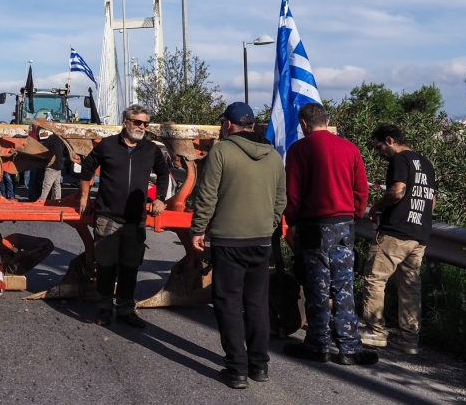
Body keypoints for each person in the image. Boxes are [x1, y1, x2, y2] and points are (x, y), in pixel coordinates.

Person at [189, 102, 286, 389]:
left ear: (228, 125)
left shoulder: (222, 151)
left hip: (228, 239)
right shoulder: (273, 155)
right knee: (256, 302)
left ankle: (237, 368)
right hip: (260, 240)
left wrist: (198, 229)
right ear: (252, 125)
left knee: (228, 303)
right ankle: (259, 365)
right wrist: (268, 226)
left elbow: (207, 195)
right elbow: (281, 199)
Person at [282, 103, 378, 366]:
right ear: (327, 120)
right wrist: (353, 215)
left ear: (303, 123)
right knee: (344, 285)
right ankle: (349, 347)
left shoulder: (300, 149)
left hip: (314, 225)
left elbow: (293, 193)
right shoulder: (349, 148)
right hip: (344, 225)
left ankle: (318, 344)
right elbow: (361, 191)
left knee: (317, 285)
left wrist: (291, 219)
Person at [78, 104, 170, 328]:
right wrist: (83, 197)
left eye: (146, 123)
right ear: (126, 122)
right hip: (107, 216)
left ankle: (126, 309)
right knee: (106, 266)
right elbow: (87, 169)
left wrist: (160, 198)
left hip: (135, 219)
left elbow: (164, 172)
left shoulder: (150, 149)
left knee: (130, 267)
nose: (142, 127)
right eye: (138, 122)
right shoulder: (107, 146)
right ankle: (104, 308)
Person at [359, 124, 436, 355]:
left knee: (375, 278)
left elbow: (398, 191)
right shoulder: (426, 163)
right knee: (410, 286)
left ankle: (375, 330)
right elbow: (431, 202)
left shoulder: (400, 160)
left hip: (396, 231)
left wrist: (376, 207)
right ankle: (409, 339)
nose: (379, 152)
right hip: (419, 233)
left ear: (390, 140)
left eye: (379, 146)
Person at [36, 128, 67, 201]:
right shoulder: (60, 139)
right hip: (59, 165)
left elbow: (43, 150)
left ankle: (41, 201)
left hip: (52, 166)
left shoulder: (50, 139)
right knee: (57, 186)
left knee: (46, 185)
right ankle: (57, 200)